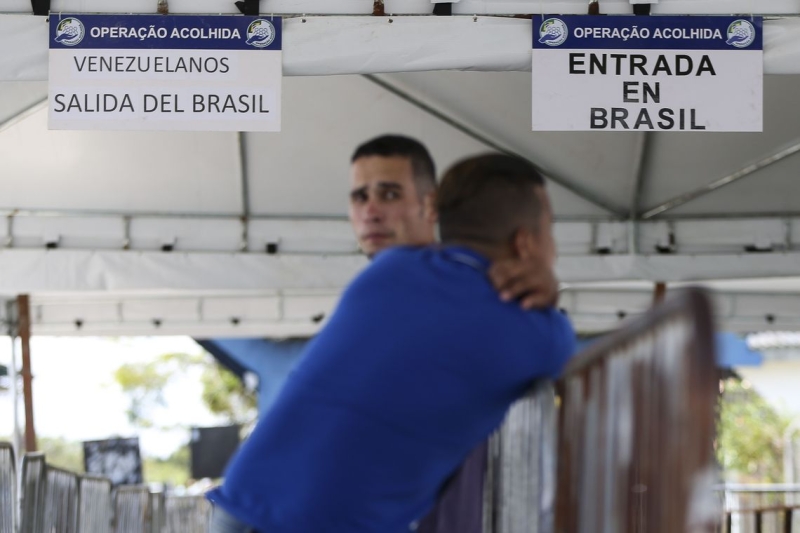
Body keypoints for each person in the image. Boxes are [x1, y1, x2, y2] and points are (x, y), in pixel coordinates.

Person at [206, 153, 576, 533]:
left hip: (241, 504)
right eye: (550, 230)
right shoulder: (535, 333)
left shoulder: (390, 269)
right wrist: (550, 292)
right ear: (526, 243)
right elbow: (575, 359)